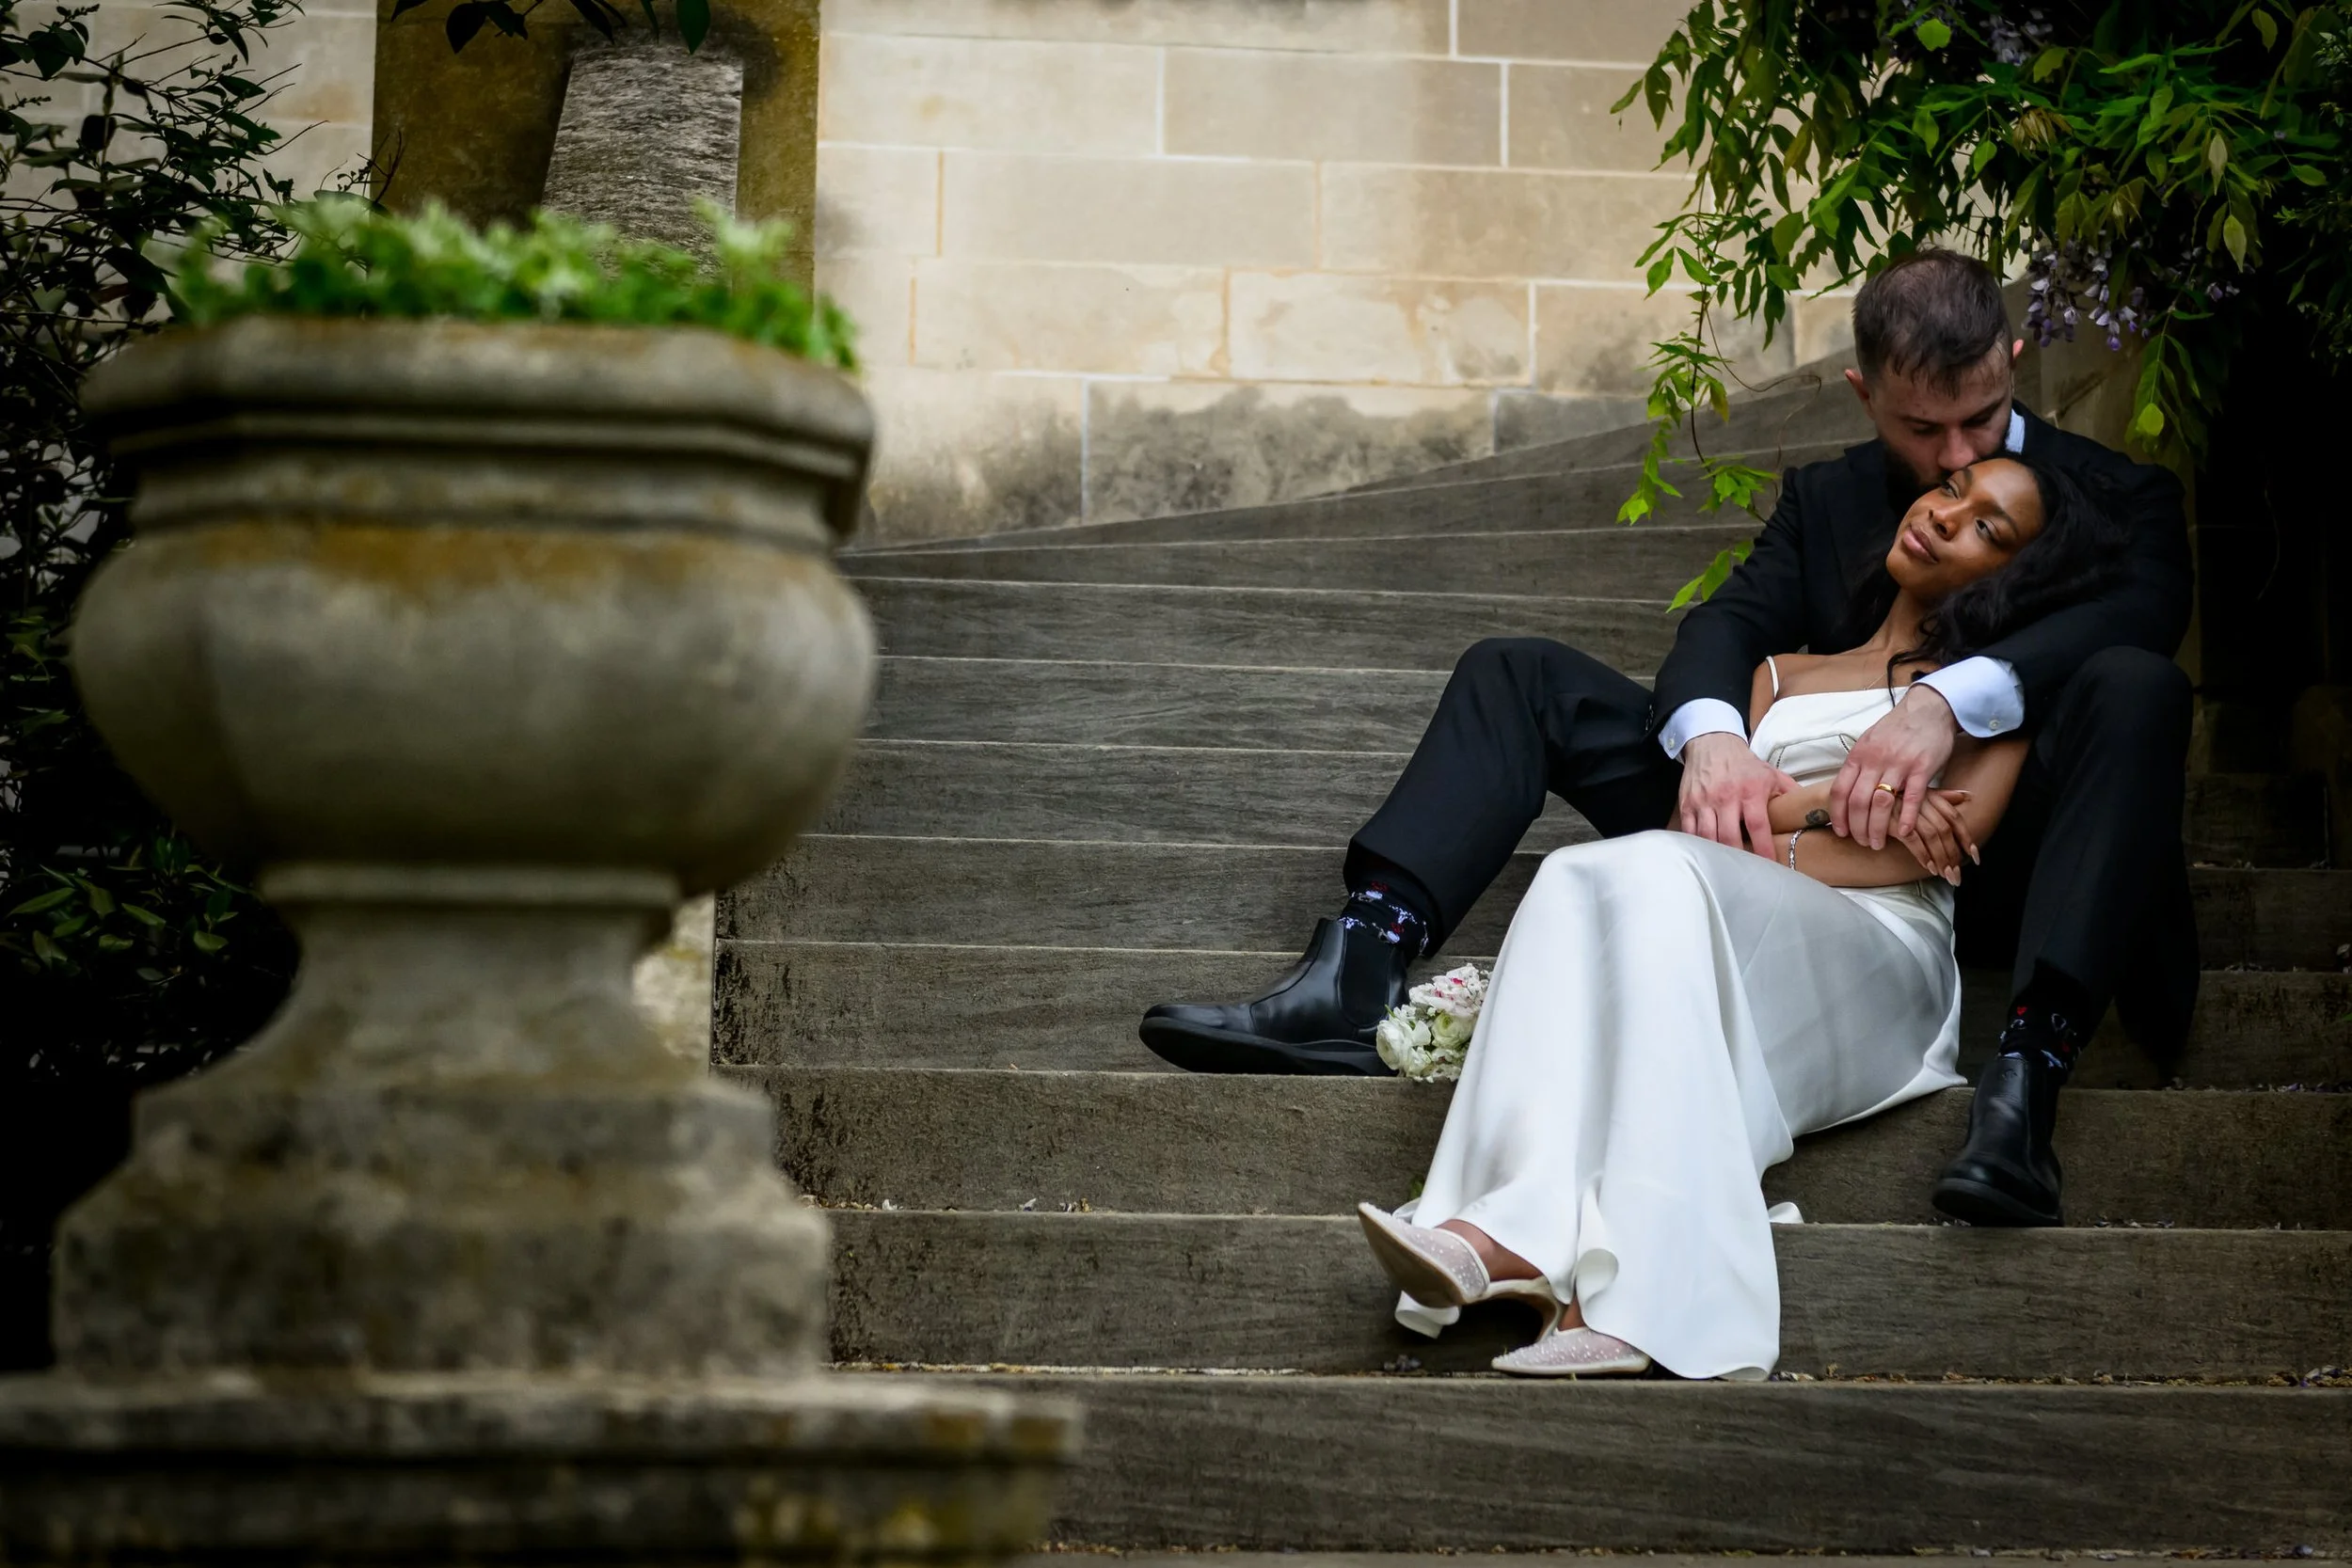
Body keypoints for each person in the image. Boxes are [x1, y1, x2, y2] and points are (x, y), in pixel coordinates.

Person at [1137, 249, 2196, 1229]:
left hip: (1969, 853)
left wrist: (1946, 703)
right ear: (1863, 392)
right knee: (1515, 670)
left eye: (1981, 418)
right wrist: (1712, 743)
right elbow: (1726, 626)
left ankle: (2026, 1082)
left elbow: (2136, 614)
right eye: (1925, 435)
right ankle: (1358, 966)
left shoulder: (2119, 496)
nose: (1953, 458)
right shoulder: (1828, 497)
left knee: (2138, 684)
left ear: (2015, 361)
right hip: (1749, 834)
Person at [1358, 452, 2117, 1379]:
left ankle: (1632, 1293)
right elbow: (1698, 822)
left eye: (1988, 527)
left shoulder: (1985, 696)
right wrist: (1843, 796)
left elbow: (1944, 846)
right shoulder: (1773, 674)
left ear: (2015, 576)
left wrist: (1781, 820)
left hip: (1879, 956)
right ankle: (1494, 1230)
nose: (1947, 515)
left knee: (1659, 871)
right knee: (1573, 870)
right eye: (1952, 488)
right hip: (1720, 919)